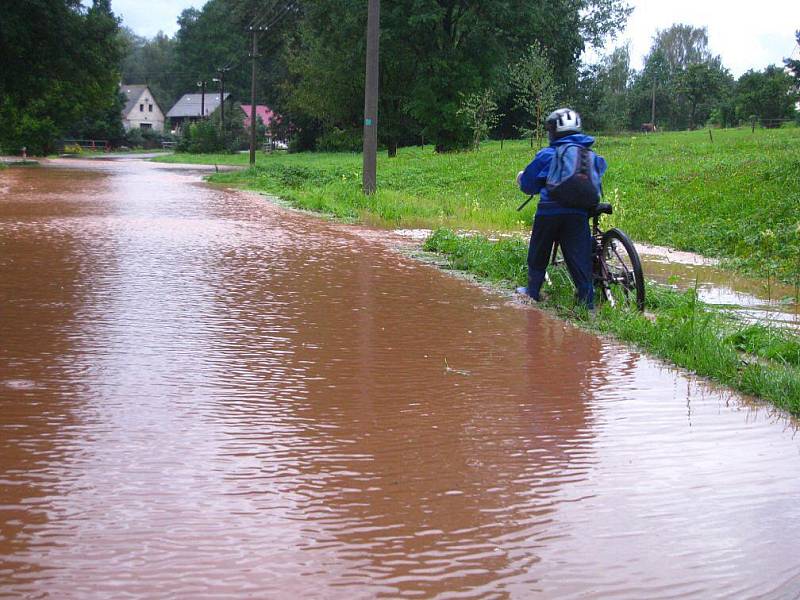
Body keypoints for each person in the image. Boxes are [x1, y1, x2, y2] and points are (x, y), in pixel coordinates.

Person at [515, 108, 607, 309]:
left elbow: (529, 184)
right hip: (578, 213)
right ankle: (586, 302)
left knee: (539, 251)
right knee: (579, 257)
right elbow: (599, 173)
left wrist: (522, 180)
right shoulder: (590, 155)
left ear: (554, 132)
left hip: (550, 210)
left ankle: (533, 292)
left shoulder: (547, 154)